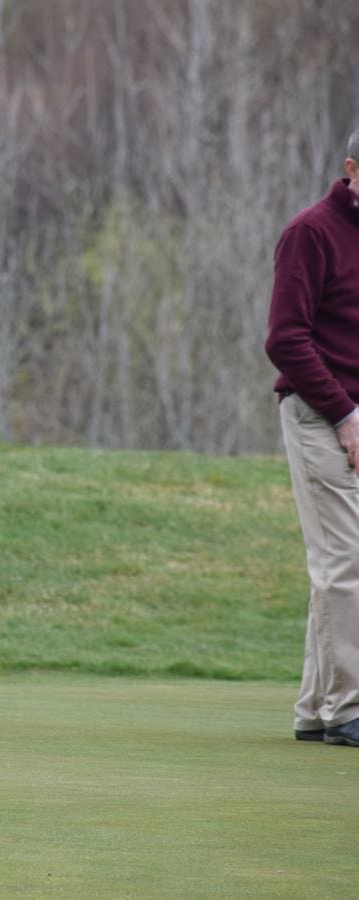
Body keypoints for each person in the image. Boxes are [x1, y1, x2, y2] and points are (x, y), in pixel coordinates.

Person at [265, 128, 359, 748]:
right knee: (346, 562)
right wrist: (345, 415)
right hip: (318, 413)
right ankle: (348, 708)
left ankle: (313, 709)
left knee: (338, 563)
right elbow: (285, 338)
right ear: (352, 169)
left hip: (354, 416)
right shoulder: (312, 231)